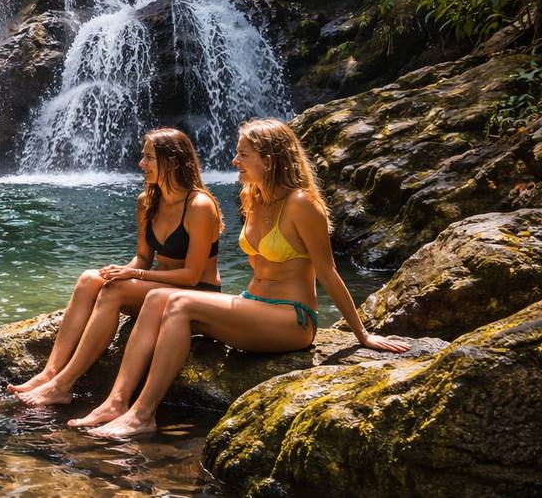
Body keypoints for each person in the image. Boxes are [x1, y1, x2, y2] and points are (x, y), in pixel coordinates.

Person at [74, 118, 409, 439]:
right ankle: (115, 402)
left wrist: (361, 333)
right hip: (253, 305)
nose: (234, 160)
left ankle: (142, 415)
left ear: (270, 158)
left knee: (177, 301)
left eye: (243, 154)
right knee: (157, 297)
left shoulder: (301, 204)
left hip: (291, 318)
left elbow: (328, 271)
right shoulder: (253, 197)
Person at [10, 128, 223, 406]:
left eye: (149, 158)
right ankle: (49, 372)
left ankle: (63, 385)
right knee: (90, 279)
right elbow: (142, 259)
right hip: (159, 289)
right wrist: (119, 270)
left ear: (172, 162)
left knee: (115, 291)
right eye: (142, 157)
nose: (141, 164)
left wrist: (133, 275)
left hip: (197, 293)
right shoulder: (147, 201)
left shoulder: (200, 205)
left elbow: (192, 276)